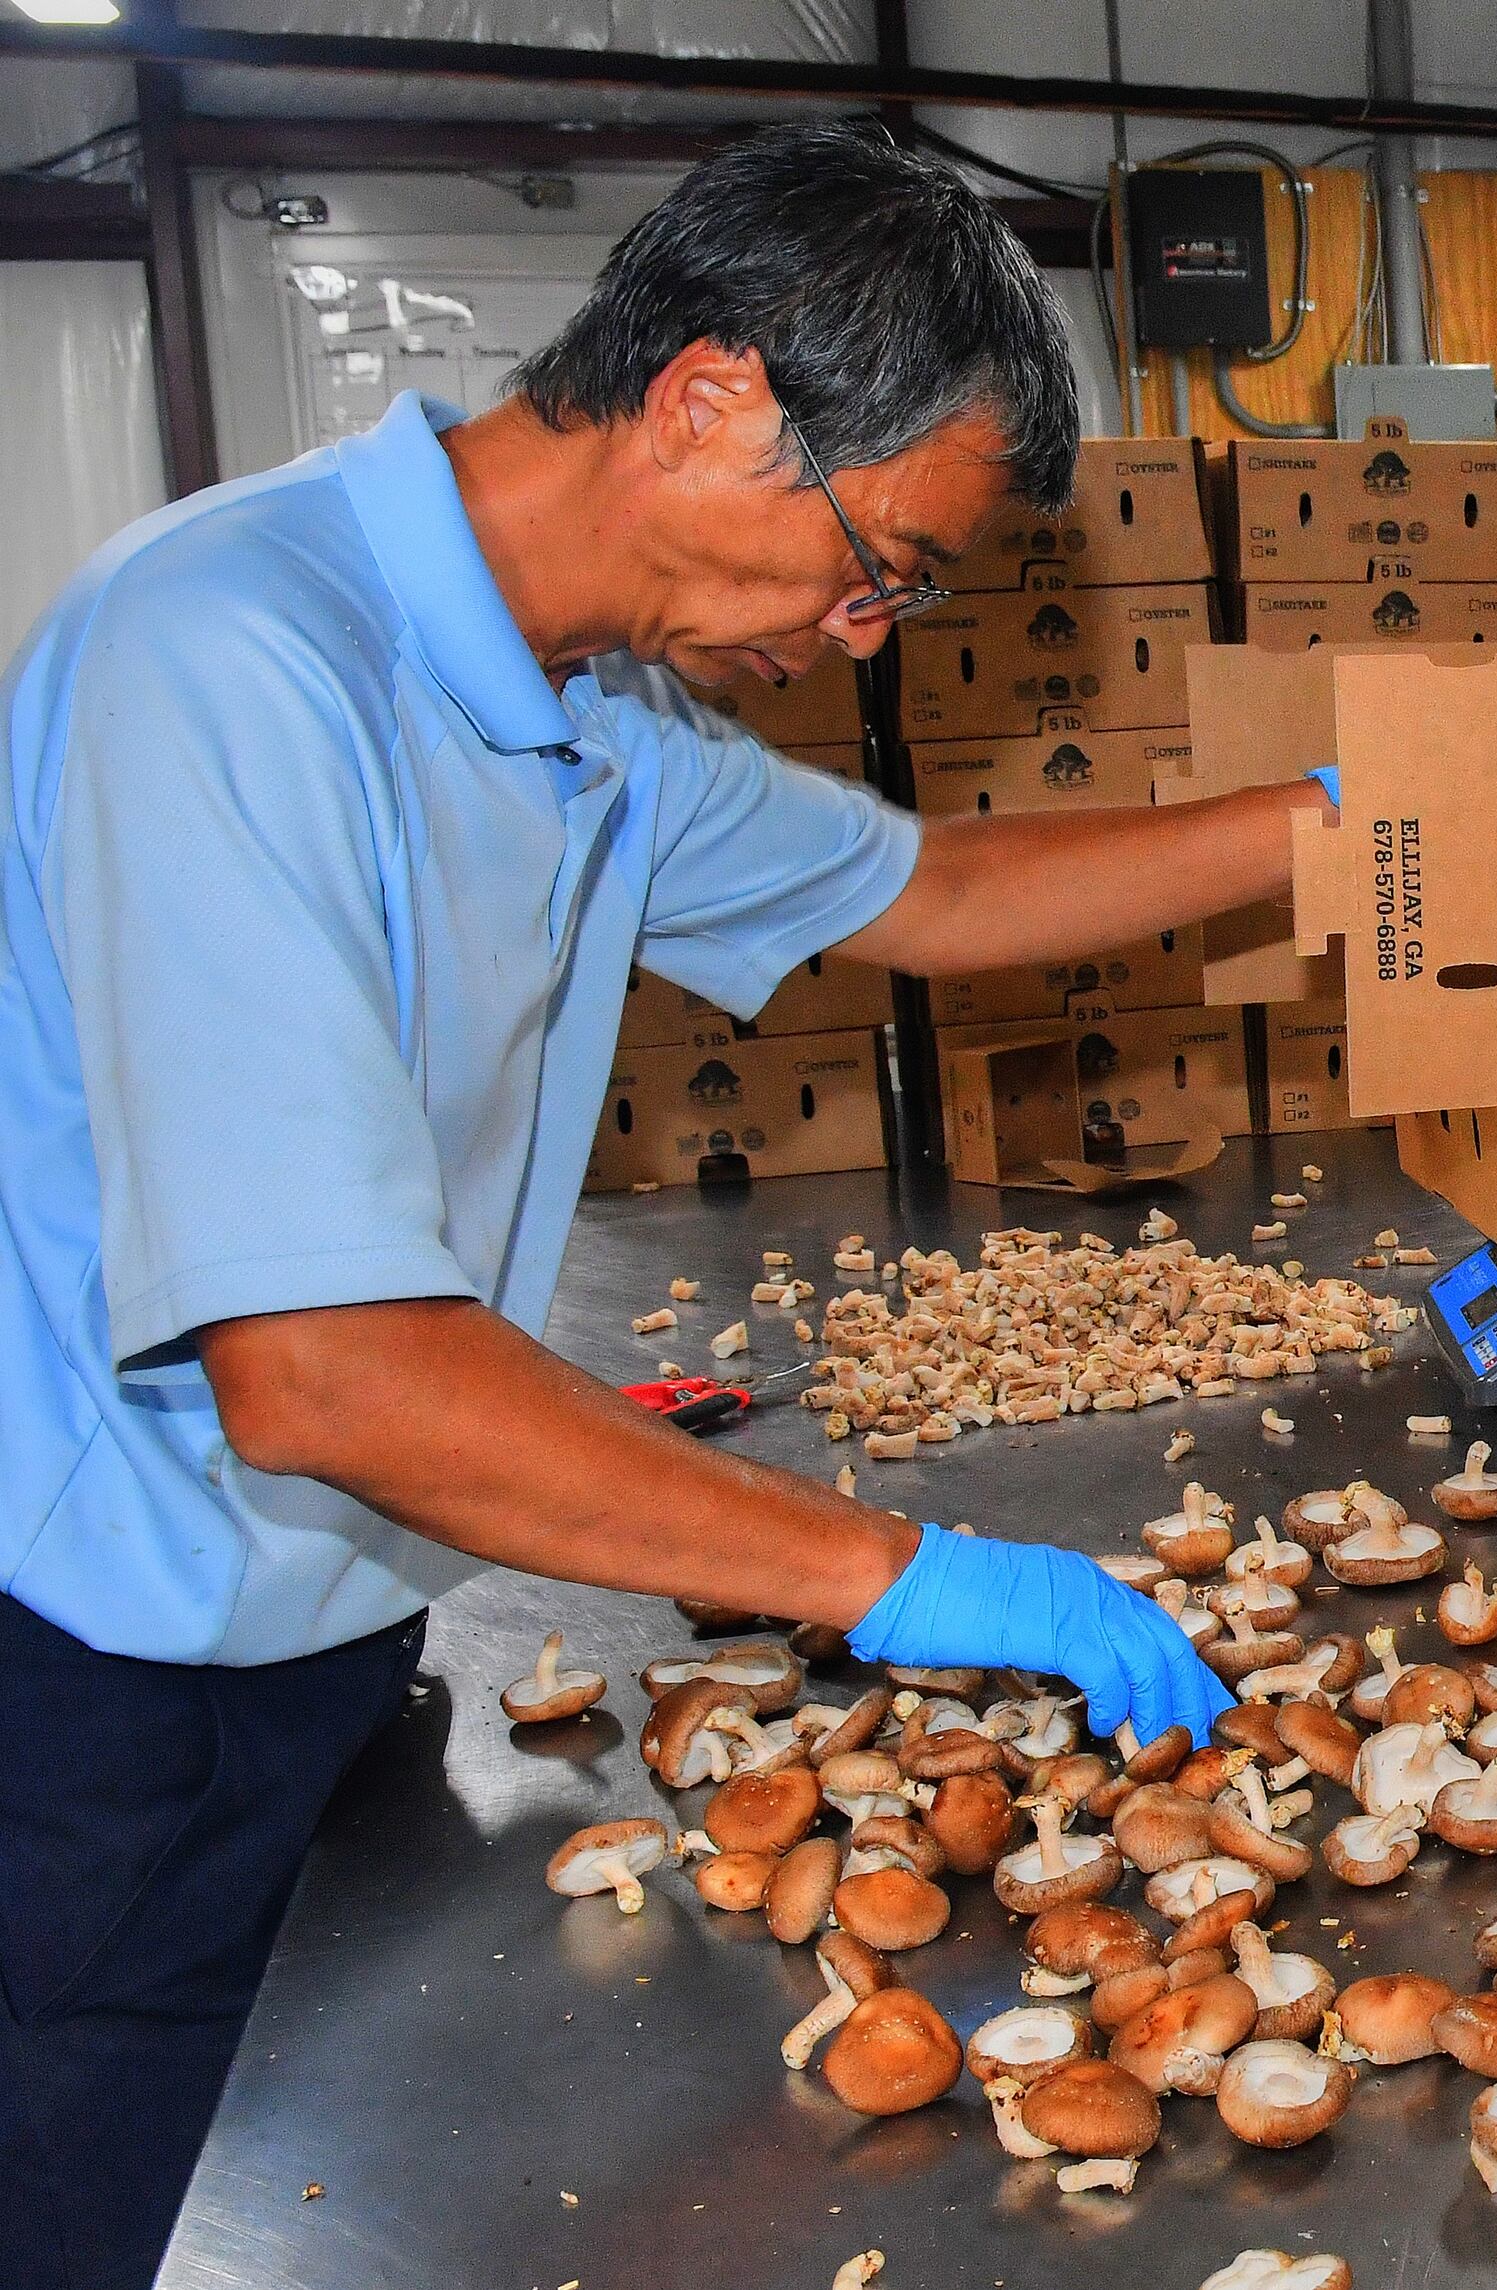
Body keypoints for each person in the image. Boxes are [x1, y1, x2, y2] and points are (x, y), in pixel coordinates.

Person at [0, 123, 1280, 2289]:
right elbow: (321, 1367)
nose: (867, 631)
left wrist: (1356, 818)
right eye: (881, 563)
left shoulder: (591, 711)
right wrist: (892, 1569)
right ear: (709, 401)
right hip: (95, 1678)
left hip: (329, 1625)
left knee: (314, 2149)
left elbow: (940, 887)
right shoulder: (233, 658)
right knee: (84, 2198)